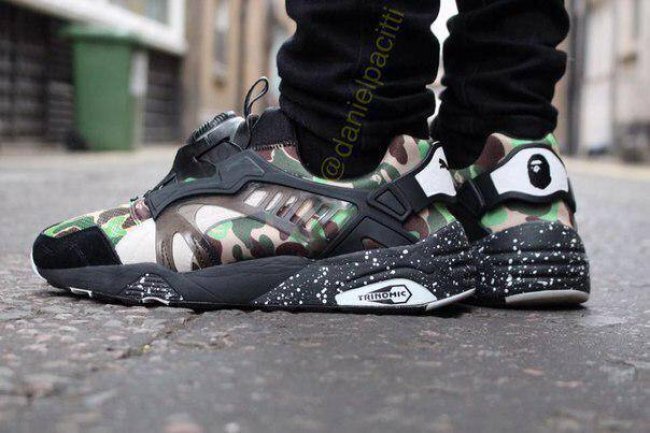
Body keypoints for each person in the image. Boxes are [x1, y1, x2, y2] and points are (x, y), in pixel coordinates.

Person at [30, 0, 590, 311]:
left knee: (349, 122)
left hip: (362, 180)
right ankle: (512, 176)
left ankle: (341, 152)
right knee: (503, 110)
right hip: (468, 181)